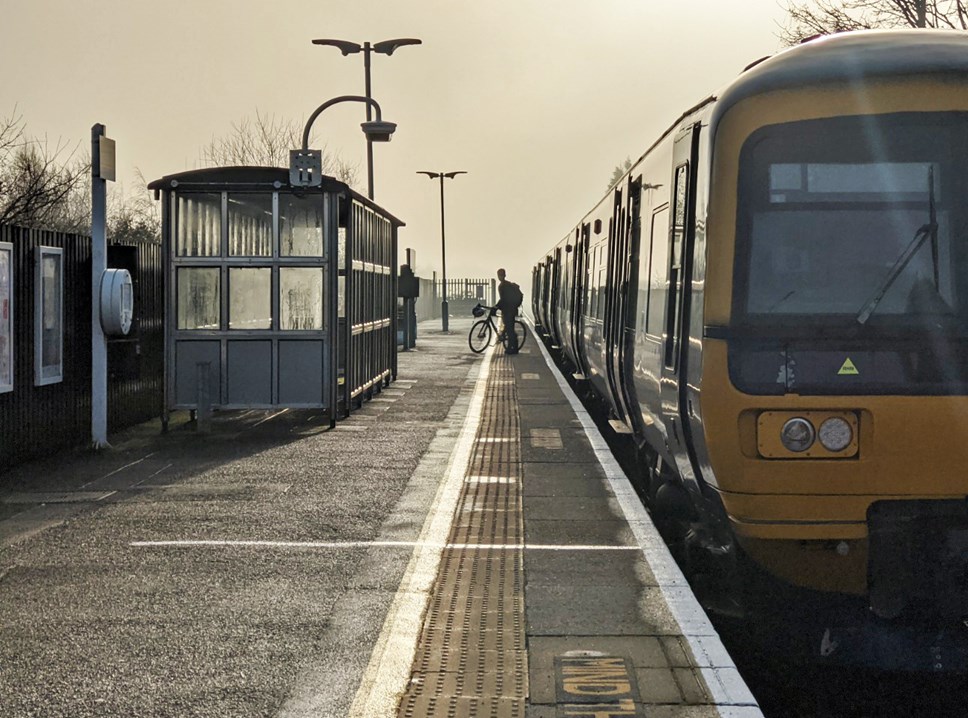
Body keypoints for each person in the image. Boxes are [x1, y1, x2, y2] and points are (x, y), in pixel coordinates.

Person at [495, 268, 522, 354]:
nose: (500, 277)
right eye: (500, 275)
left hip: (508, 311)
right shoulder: (507, 284)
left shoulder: (502, 286)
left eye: (501, 275)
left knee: (510, 330)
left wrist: (496, 307)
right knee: (509, 328)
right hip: (512, 309)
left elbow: (503, 299)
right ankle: (514, 347)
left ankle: (512, 348)